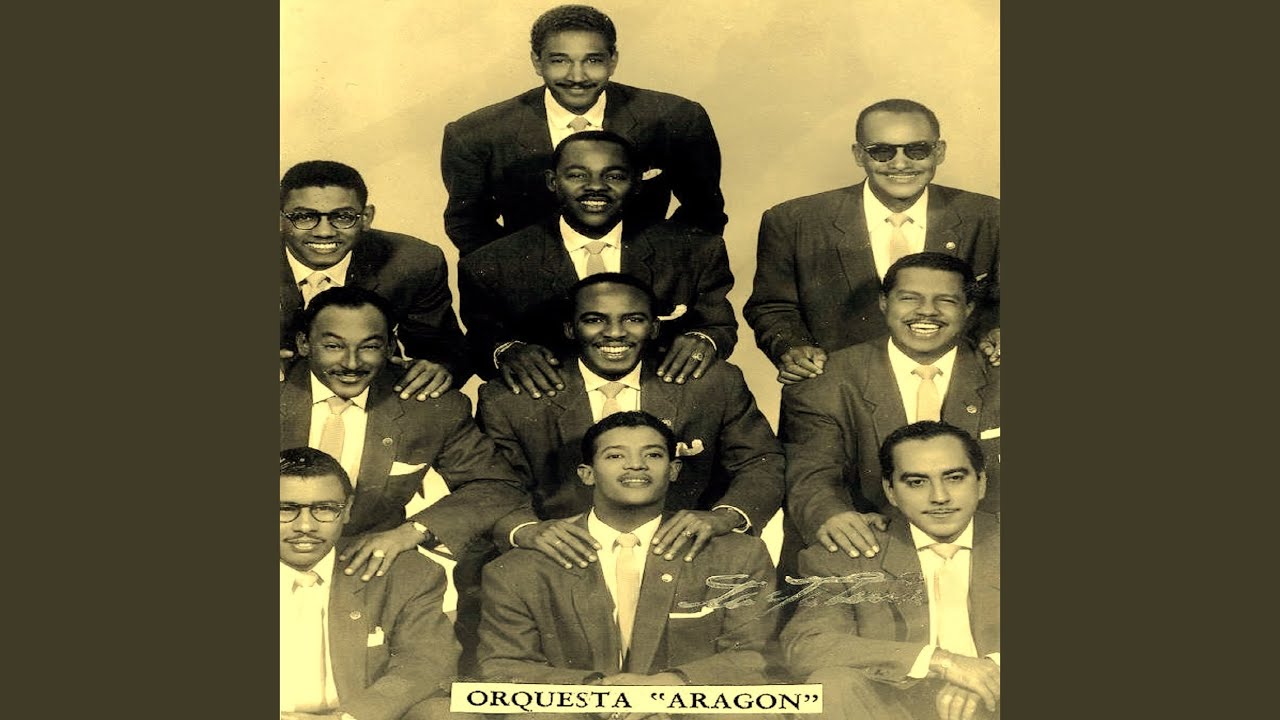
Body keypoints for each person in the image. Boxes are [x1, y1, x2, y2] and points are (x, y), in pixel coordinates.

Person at [479, 272, 783, 566]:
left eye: (633, 319)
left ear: (654, 328)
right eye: (594, 320)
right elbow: (491, 485)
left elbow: (760, 461)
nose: (614, 333)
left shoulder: (713, 383)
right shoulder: (510, 398)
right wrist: (526, 529)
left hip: (683, 552)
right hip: (560, 558)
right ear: (570, 329)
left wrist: (726, 516)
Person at [476, 411, 776, 696]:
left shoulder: (737, 555)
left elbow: (754, 656)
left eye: (653, 455)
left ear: (673, 470)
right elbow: (504, 667)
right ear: (587, 474)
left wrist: (671, 684)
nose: (636, 465)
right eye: (615, 455)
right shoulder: (519, 568)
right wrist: (598, 692)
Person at [458, 130, 736, 399]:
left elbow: (718, 325)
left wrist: (703, 339)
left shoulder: (694, 250)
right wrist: (506, 351)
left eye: (614, 176)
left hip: (660, 396)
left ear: (637, 184)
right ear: (552, 182)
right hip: (549, 405)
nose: (595, 187)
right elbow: (480, 341)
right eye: (577, 175)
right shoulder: (491, 263)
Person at [744, 98, 1000, 385]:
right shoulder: (794, 220)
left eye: (917, 150)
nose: (900, 164)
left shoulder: (990, 217)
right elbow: (772, 307)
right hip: (839, 388)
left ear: (939, 151)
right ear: (858, 154)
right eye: (881, 151)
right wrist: (792, 347)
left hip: (960, 387)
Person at [279, 285, 526, 583]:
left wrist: (412, 532)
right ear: (304, 343)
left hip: (367, 561)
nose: (351, 363)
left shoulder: (428, 405)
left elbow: (495, 484)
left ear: (390, 347)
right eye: (334, 346)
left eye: (369, 347)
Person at [440, 3, 726, 257]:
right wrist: (524, 279)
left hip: (644, 280)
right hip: (531, 286)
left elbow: (704, 212)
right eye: (560, 60)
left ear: (613, 60)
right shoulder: (476, 134)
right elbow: (468, 225)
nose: (577, 76)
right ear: (537, 61)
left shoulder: (677, 118)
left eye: (593, 60)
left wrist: (660, 269)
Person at [779, 253, 1000, 574]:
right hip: (869, 554)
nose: (927, 311)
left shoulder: (997, 371)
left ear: (968, 309)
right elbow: (812, 472)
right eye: (909, 298)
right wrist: (833, 515)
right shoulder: (828, 380)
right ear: (884, 303)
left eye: (946, 300)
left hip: (986, 555)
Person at [780, 422, 1000, 720]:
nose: (940, 496)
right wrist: (942, 662)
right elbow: (807, 644)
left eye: (954, 478)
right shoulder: (849, 556)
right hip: (894, 709)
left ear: (981, 482)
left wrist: (990, 671)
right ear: (891, 491)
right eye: (917, 482)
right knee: (831, 685)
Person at [279, 447, 457, 720]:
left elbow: (425, 664)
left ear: (347, 510)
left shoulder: (404, 573)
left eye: (325, 509)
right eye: (285, 509)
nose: (305, 526)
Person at [280, 160, 468, 400]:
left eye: (343, 217)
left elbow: (442, 351)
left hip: (371, 394)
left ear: (366, 217)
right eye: (304, 217)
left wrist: (436, 368)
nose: (324, 232)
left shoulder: (412, 262)